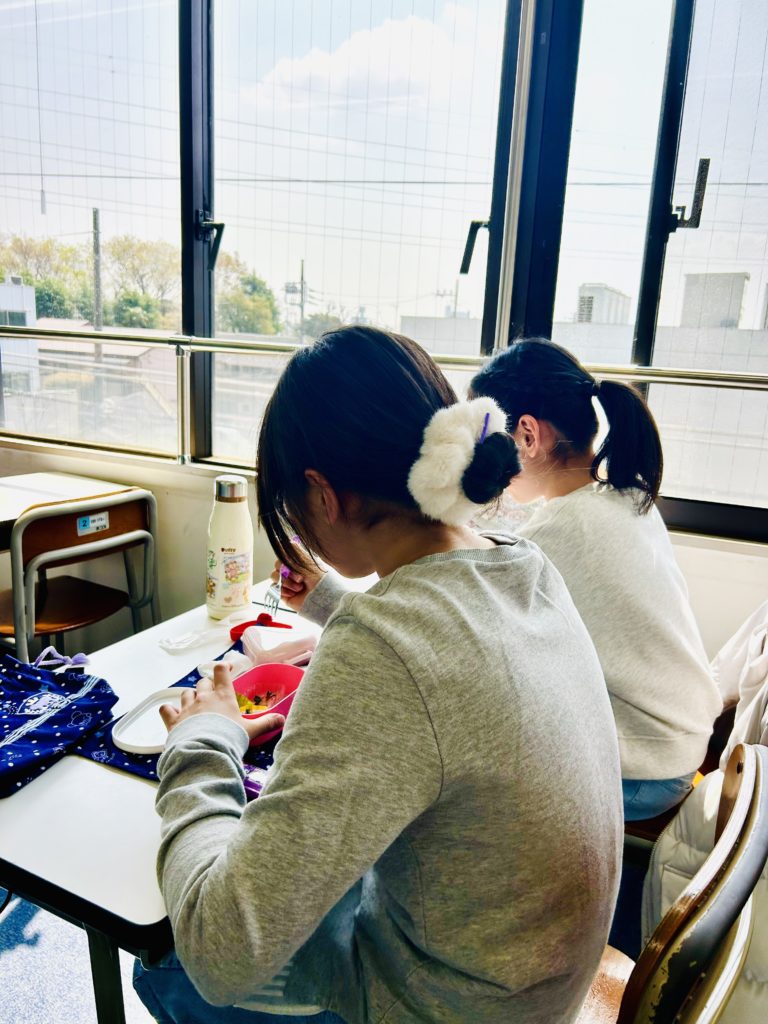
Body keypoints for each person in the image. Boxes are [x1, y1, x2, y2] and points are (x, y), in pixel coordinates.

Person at [134, 326, 623, 1024]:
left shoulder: (383, 648)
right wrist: (334, 607)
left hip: (447, 1007)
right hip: (534, 981)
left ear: (321, 494)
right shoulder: (522, 564)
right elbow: (437, 666)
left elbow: (221, 948)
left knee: (166, 961)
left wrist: (202, 740)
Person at [469, 337, 722, 821]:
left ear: (527, 435)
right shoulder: (626, 496)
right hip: (678, 744)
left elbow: (466, 625)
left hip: (642, 773)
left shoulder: (560, 531)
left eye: (485, 437)